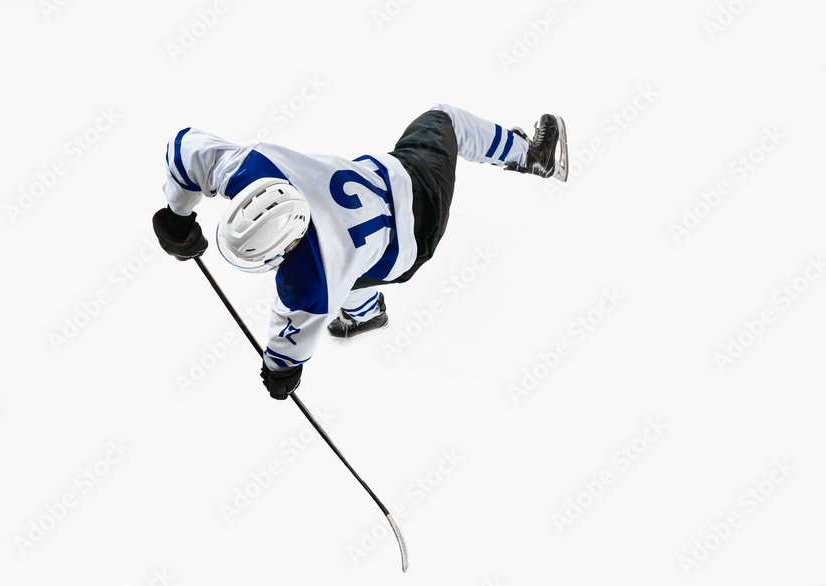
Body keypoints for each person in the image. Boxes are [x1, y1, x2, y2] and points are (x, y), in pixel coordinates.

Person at [153, 104, 568, 399]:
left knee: (349, 269)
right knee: (445, 119)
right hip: (399, 184)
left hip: (412, 236)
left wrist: (178, 219)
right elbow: (184, 147)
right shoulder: (255, 166)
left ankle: (538, 159)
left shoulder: (309, 282)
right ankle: (529, 153)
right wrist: (177, 217)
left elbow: (287, 355)